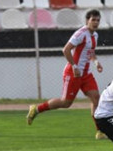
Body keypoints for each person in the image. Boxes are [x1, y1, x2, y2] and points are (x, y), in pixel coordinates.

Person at [26, 9, 104, 139]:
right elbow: (66, 49)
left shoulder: (95, 35)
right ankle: (37, 109)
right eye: (93, 20)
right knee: (66, 103)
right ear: (87, 21)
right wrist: (74, 66)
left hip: (86, 74)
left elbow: (90, 51)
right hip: (73, 73)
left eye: (98, 20)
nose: (95, 23)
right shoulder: (81, 33)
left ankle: (100, 131)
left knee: (96, 98)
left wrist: (96, 62)